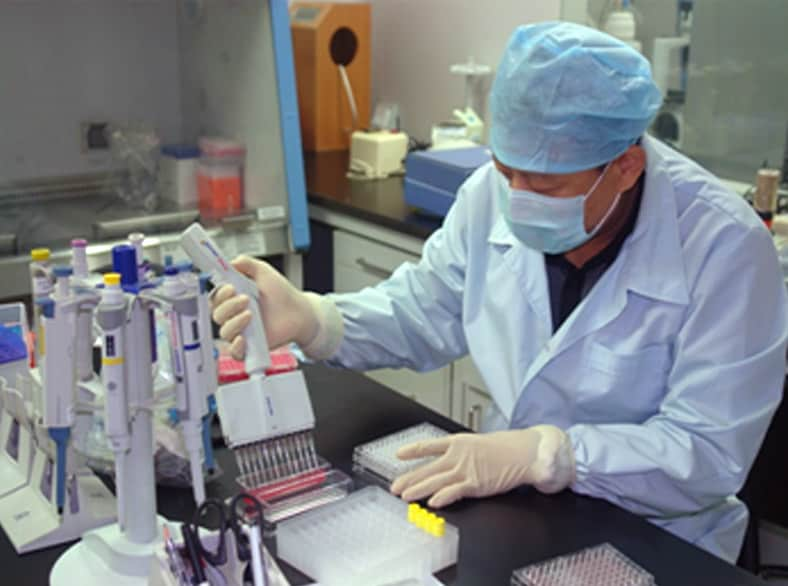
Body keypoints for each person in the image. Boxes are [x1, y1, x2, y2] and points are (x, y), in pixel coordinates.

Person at [211, 21, 788, 563]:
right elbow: (427, 308)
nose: (519, 197)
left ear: (627, 167)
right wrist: (316, 319)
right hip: (515, 510)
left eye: (546, 183)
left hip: (658, 537)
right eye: (508, 170)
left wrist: (550, 454)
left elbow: (706, 453)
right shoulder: (496, 189)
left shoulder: (724, 247)